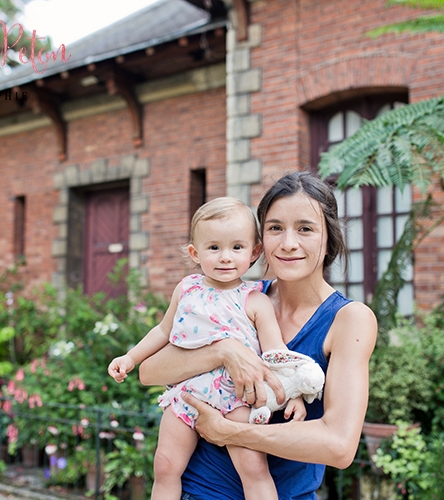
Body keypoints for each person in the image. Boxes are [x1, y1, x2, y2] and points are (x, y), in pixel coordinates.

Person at [138, 171, 378, 500]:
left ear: (329, 238)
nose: (288, 243)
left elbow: (339, 446)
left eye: (305, 228)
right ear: (260, 240)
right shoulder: (239, 296)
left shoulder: (348, 319)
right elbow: (149, 371)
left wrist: (231, 432)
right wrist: (223, 350)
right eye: (275, 227)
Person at [107, 197, 310, 500]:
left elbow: (275, 353)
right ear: (195, 253)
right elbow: (163, 330)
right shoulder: (186, 289)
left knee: (253, 469)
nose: (226, 257)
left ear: (254, 252)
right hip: (188, 392)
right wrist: (131, 357)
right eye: (214, 248)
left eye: (237, 248)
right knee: (164, 465)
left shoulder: (255, 300)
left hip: (237, 396)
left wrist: (296, 394)